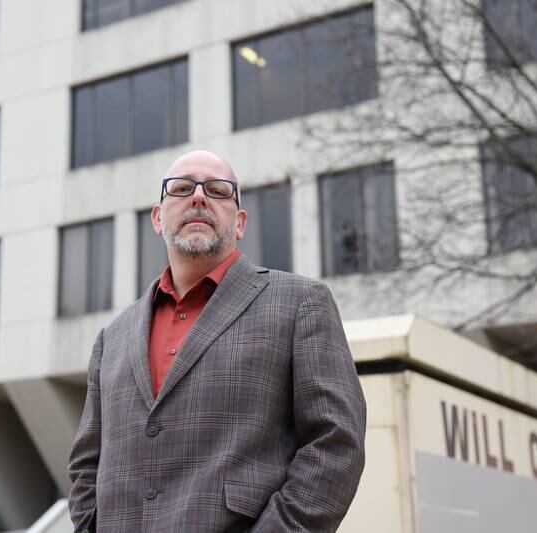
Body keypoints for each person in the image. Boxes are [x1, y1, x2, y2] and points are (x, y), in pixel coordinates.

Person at [68, 150, 366, 532]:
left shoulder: (300, 303)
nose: (198, 197)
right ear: (158, 219)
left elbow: (336, 441)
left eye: (217, 190)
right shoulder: (113, 337)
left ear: (240, 223)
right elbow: (85, 464)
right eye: (180, 189)